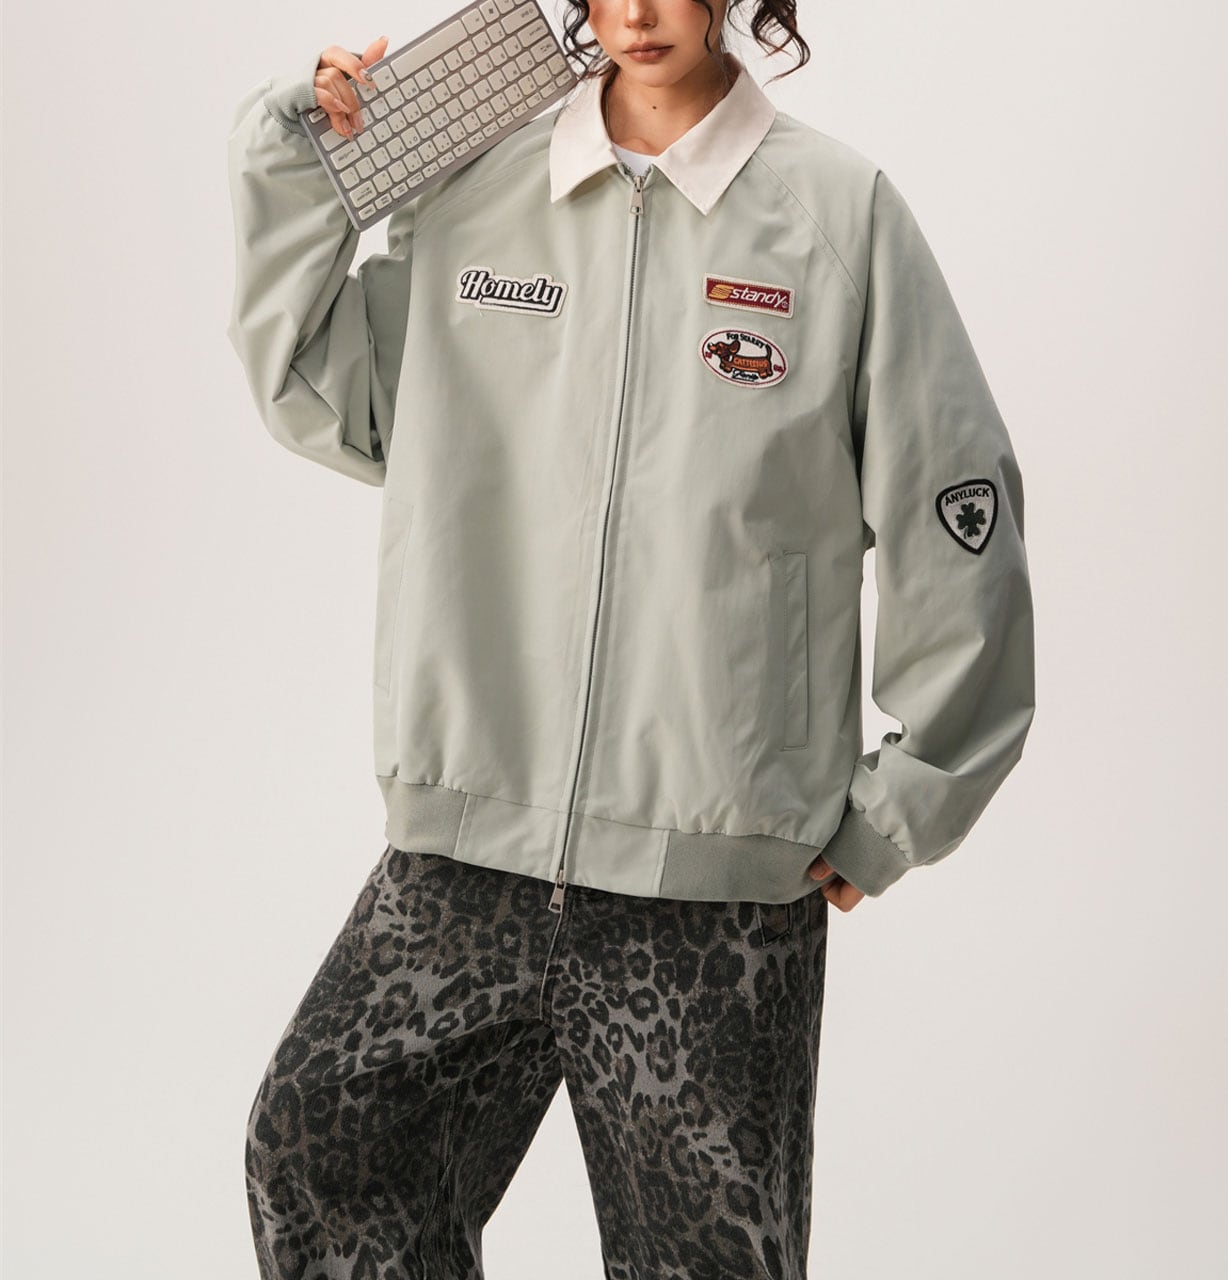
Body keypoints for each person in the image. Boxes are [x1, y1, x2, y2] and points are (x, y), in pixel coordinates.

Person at [225, 1, 1036, 1276]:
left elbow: (955, 507)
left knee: (706, 1260)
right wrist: (298, 158)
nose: (640, 11)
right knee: (323, 1150)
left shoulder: (837, 214)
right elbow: (336, 395)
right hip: (469, 848)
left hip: (710, 885)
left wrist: (908, 796)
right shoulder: (481, 188)